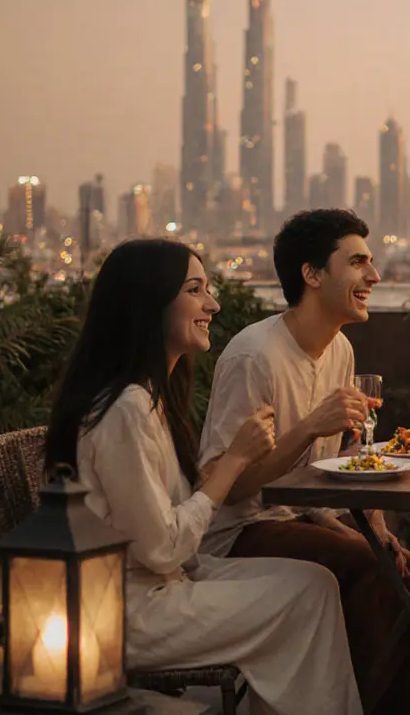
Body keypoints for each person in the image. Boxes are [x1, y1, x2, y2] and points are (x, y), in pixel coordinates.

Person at [44, 238, 361, 715]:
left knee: (317, 584)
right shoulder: (124, 410)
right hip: (126, 613)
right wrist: (234, 460)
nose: (213, 304)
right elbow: (163, 548)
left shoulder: (152, 398)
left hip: (167, 584)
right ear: (150, 304)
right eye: (196, 290)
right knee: (305, 602)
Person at [198, 209, 410, 715]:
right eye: (356, 262)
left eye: (371, 263)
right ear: (311, 274)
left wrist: (370, 521)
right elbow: (229, 489)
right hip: (239, 533)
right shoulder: (253, 357)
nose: (373, 276)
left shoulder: (340, 352)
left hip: (308, 519)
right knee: (370, 570)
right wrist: (308, 425)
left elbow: (339, 466)